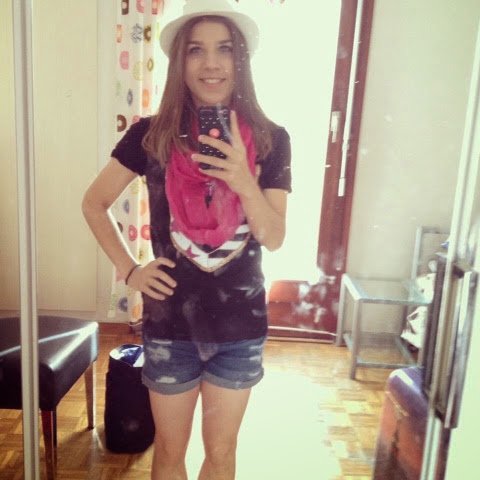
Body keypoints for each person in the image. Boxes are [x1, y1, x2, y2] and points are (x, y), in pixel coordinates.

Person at [82, 0, 291, 478]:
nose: (211, 63)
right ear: (180, 62)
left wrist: (243, 180)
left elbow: (274, 237)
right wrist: (131, 270)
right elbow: (94, 203)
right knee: (170, 452)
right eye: (196, 50)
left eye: (224, 49)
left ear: (241, 60)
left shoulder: (271, 138)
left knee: (221, 453)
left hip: (240, 327)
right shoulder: (150, 135)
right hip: (170, 325)